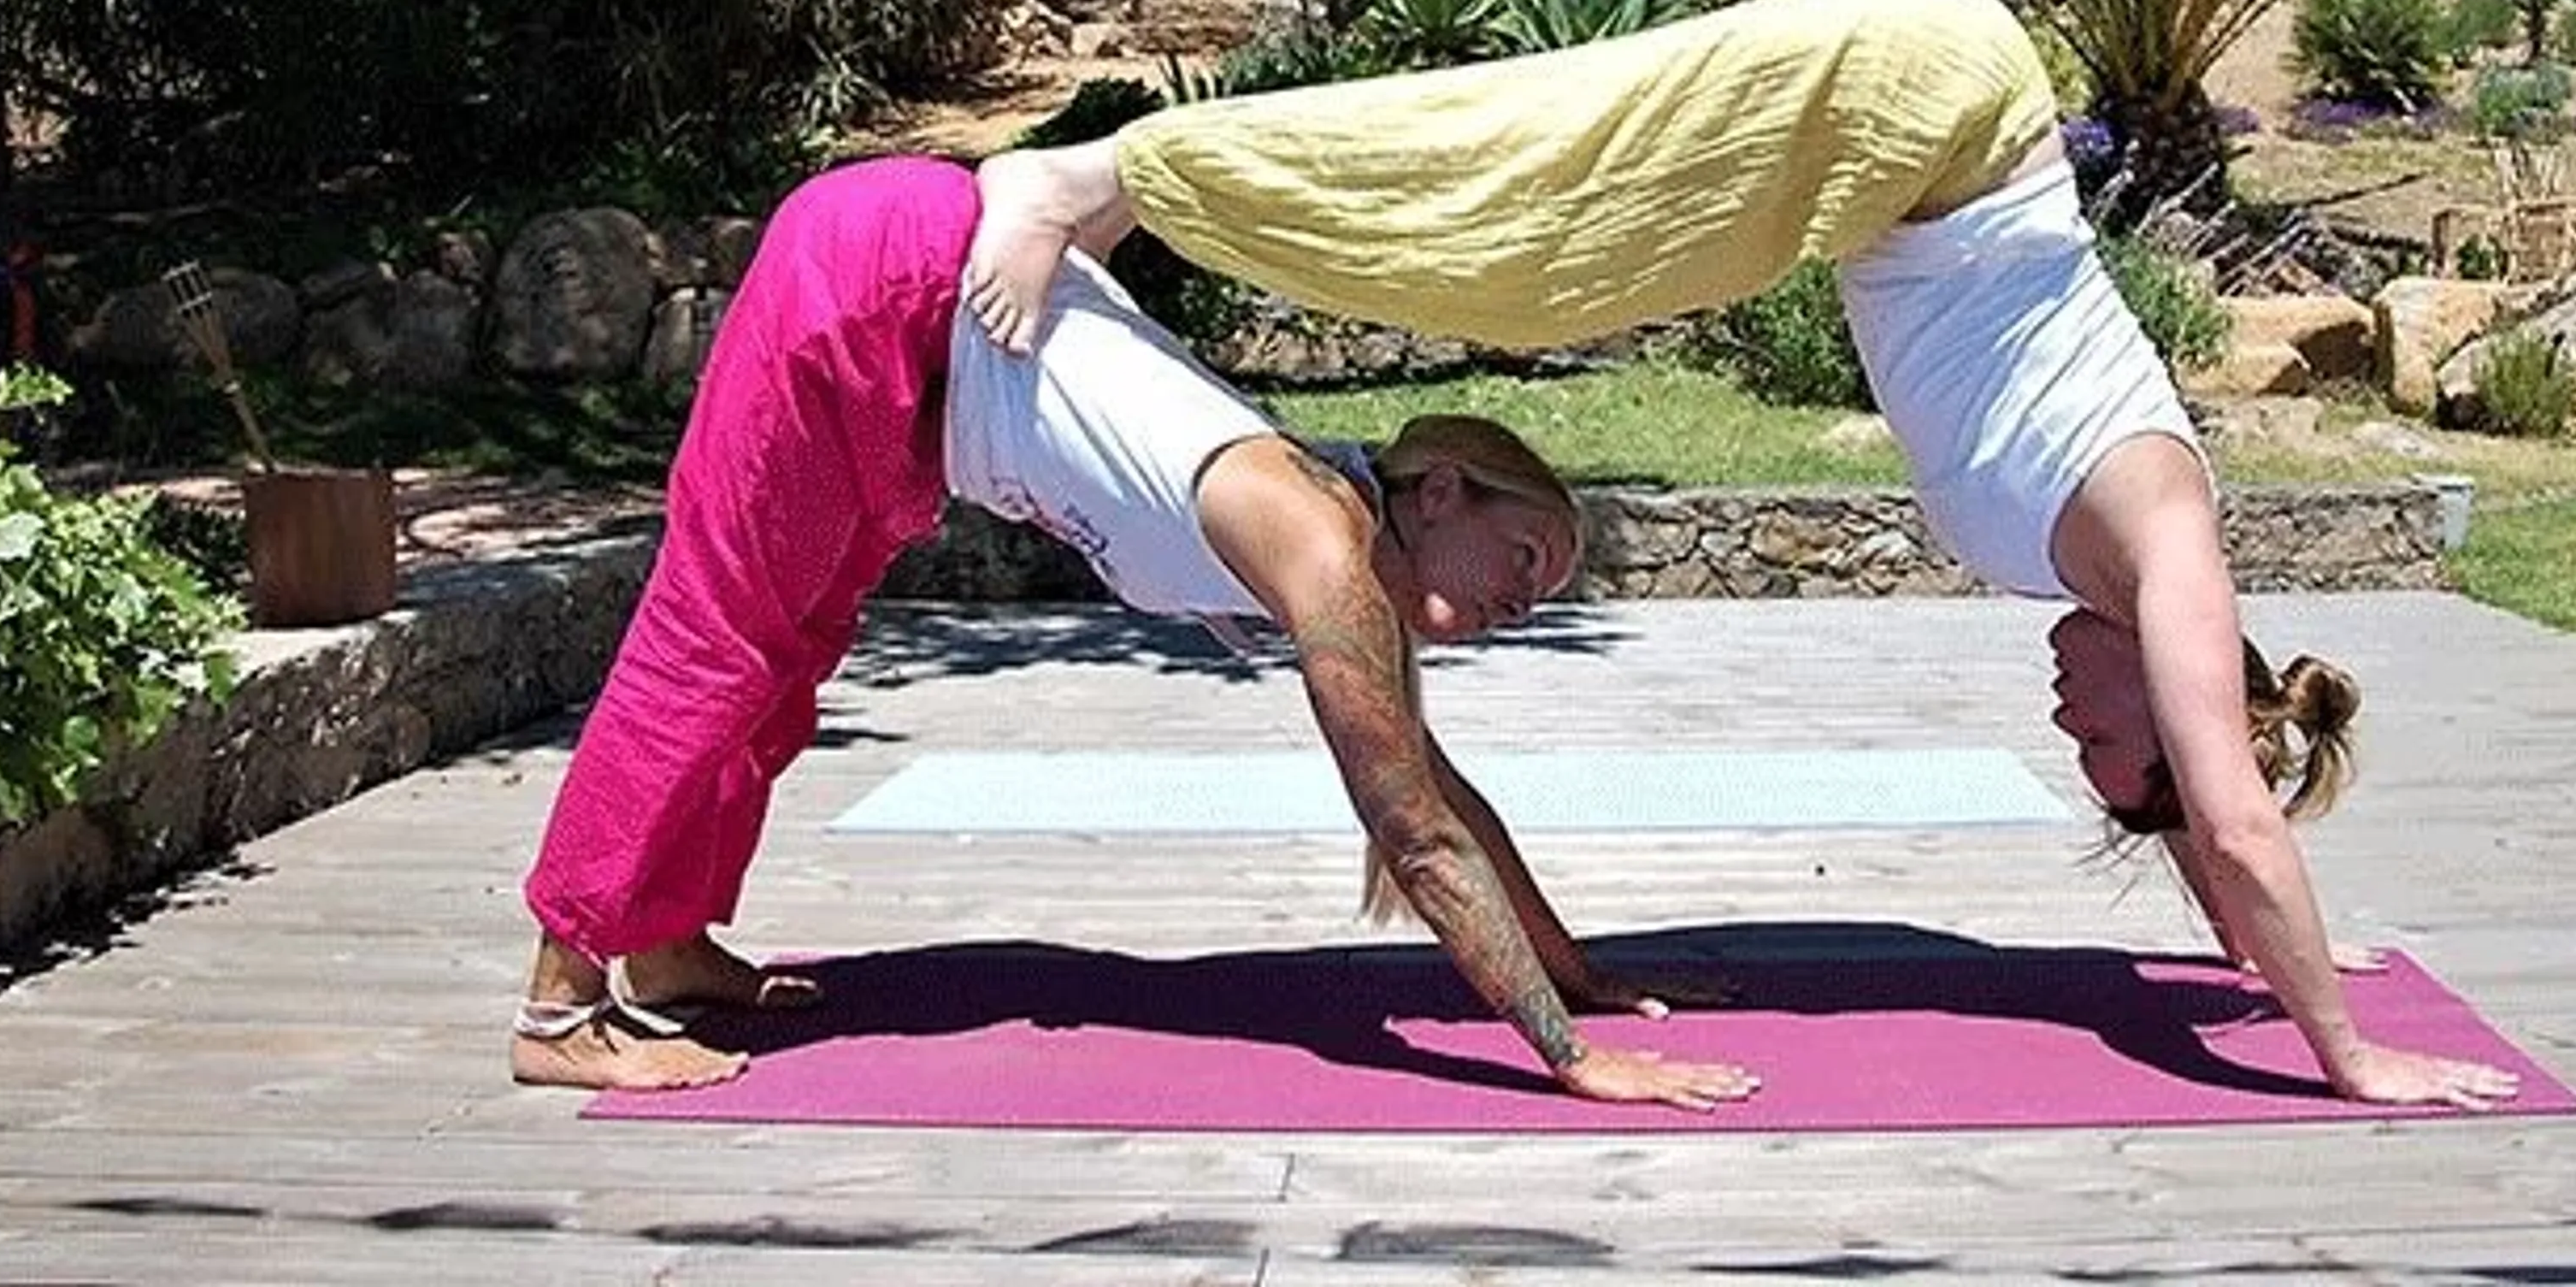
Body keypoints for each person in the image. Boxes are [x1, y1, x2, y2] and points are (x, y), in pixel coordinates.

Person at [964, 0, 2520, 1111]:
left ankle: (1117, 200)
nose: (2071, 724)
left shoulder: (2126, 582)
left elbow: (2212, 818)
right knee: (1535, 206)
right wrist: (2348, 1046)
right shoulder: (2171, 545)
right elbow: (2233, 817)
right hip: (1933, 102)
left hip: (1899, 152)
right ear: (2191, 708)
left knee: (1530, 238)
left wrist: (2257, 962)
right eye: (2106, 745)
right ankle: (1088, 174)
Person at [510, 153, 1760, 1113]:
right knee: (718, 642)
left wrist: (1575, 963)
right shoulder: (1316, 536)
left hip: (914, 340)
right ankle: (561, 1011)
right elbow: (1417, 837)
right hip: (878, 290)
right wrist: (1572, 1051)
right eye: (1530, 554)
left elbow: (1431, 785)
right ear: (1440, 490)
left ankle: (666, 942)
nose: (1528, 599)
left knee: (782, 657)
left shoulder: (1344, 545)